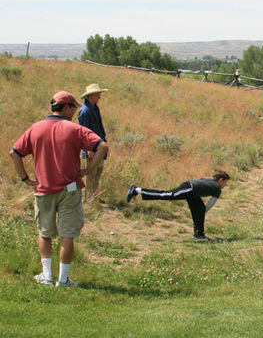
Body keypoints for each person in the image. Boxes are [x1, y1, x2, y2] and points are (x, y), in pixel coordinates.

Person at [10, 91, 109, 287]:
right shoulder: (74, 129)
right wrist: (88, 169)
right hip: (69, 189)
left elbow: (14, 153)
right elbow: (102, 146)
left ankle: (47, 276)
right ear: (65, 107)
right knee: (67, 235)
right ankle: (63, 280)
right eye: (73, 107)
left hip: (43, 188)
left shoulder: (35, 128)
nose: (74, 110)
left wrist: (25, 178)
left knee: (45, 233)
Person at [126, 170, 230, 241]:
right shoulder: (217, 188)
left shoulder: (211, 181)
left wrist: (202, 211)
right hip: (189, 189)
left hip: (192, 190)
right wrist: (204, 211)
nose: (225, 185)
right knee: (167, 195)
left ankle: (199, 235)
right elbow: (211, 203)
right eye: (225, 183)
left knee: (199, 209)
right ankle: (136, 190)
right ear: (221, 180)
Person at [78, 83, 108, 202]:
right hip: (92, 148)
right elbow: (83, 132)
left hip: (98, 147)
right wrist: (87, 150)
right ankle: (89, 200)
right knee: (91, 175)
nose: (100, 96)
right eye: (97, 94)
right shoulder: (85, 111)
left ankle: (94, 196)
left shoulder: (94, 108)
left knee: (98, 172)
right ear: (90, 96)